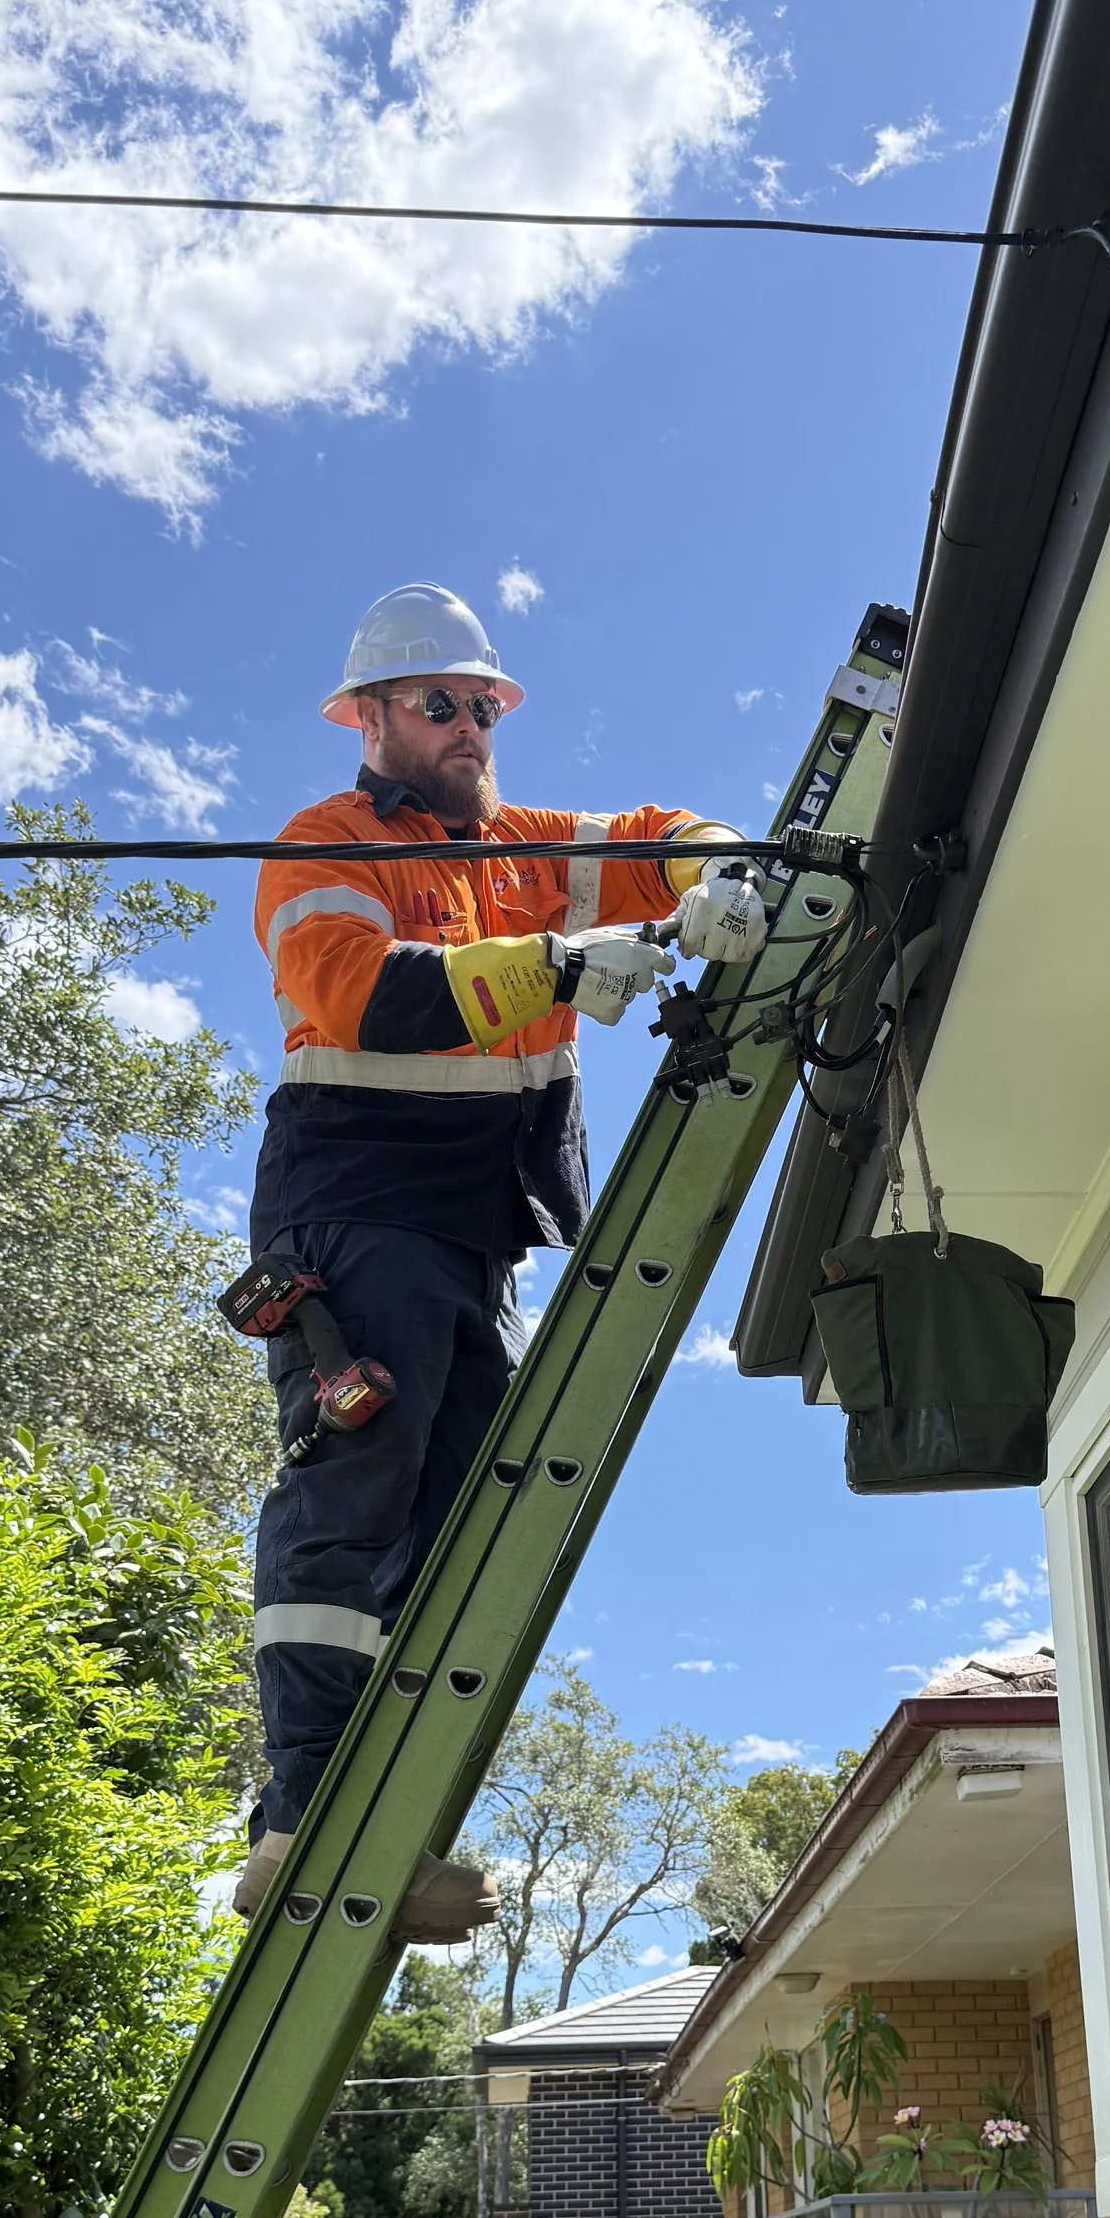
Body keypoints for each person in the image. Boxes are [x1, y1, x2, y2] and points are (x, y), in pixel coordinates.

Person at [232, 582, 748, 1928]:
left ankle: (379, 1826)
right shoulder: (321, 844)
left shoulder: (525, 843)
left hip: (471, 1236)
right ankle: (296, 1825)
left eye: (484, 705)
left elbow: (657, 834)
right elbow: (369, 996)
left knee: (461, 1518)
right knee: (357, 1487)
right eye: (440, 705)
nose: (471, 726)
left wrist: (725, 873)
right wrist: (565, 968)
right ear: (371, 718)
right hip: (355, 1206)